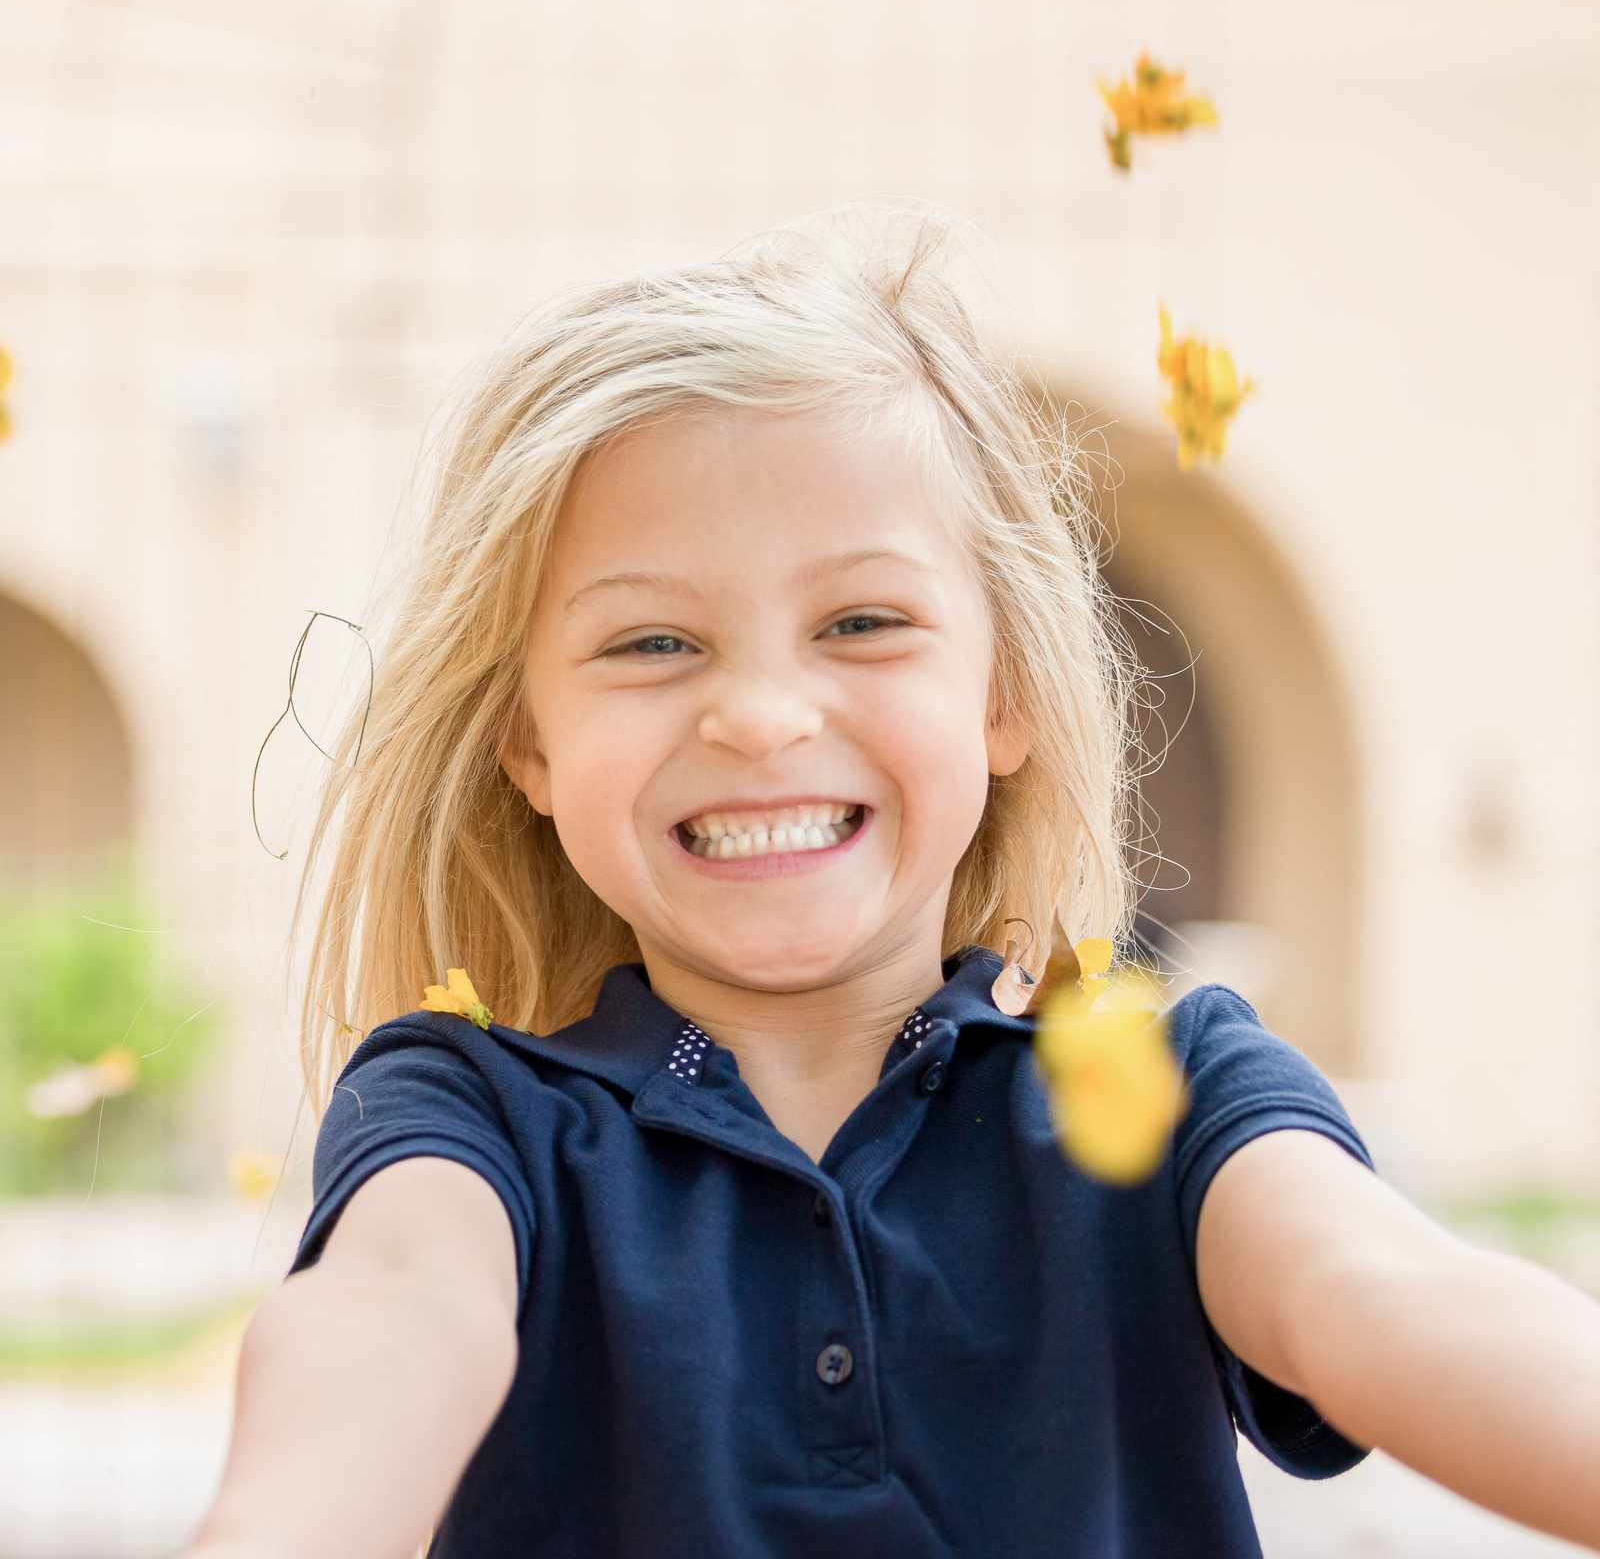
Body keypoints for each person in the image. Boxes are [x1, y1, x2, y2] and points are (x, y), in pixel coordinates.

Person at [184, 205, 1600, 1558]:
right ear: (530, 745)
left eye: (861, 622)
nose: (760, 715)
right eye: (651, 643)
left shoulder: (1165, 1085)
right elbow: (390, 1318)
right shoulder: (464, 1115)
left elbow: (1380, 1292)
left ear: (1006, 695)